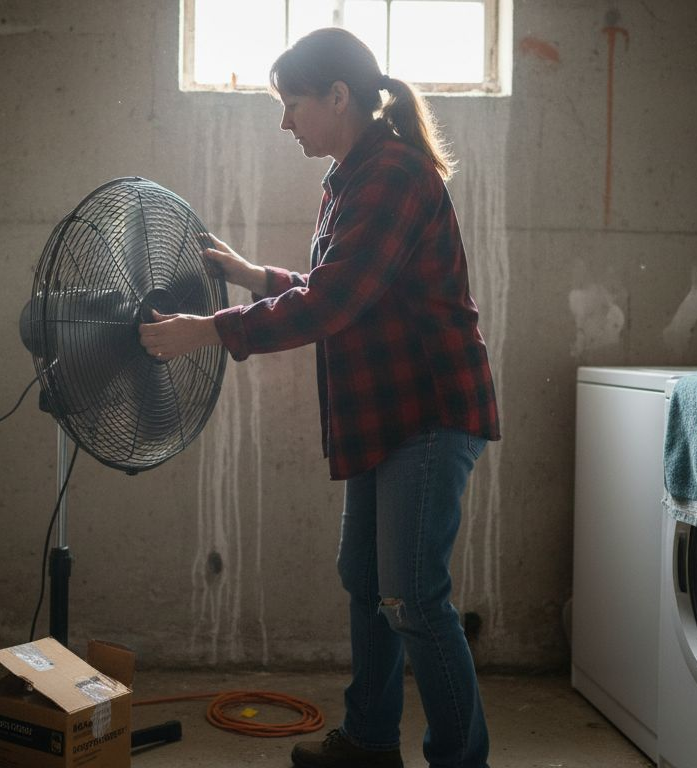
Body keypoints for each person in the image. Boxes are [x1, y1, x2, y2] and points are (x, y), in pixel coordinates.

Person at [139, 27, 499, 768]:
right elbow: (335, 288)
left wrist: (211, 329)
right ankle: (368, 743)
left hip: (427, 413)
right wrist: (252, 275)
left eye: (293, 104)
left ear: (339, 97)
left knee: (414, 599)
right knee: (366, 583)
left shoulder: (392, 174)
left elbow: (334, 303)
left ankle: (461, 760)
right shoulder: (350, 178)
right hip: (383, 416)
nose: (284, 122)